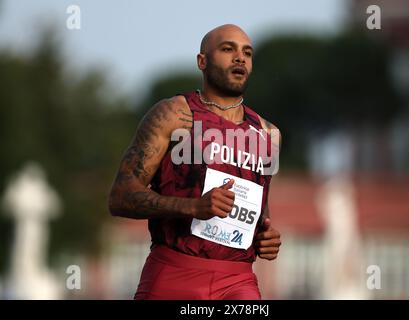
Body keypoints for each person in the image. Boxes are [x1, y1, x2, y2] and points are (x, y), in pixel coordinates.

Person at [108, 24, 281, 300]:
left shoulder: (269, 133)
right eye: (228, 49)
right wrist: (193, 206)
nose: (240, 58)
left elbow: (260, 214)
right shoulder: (174, 115)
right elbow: (120, 196)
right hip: (174, 271)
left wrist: (266, 238)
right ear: (202, 61)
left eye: (247, 53)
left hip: (238, 280)